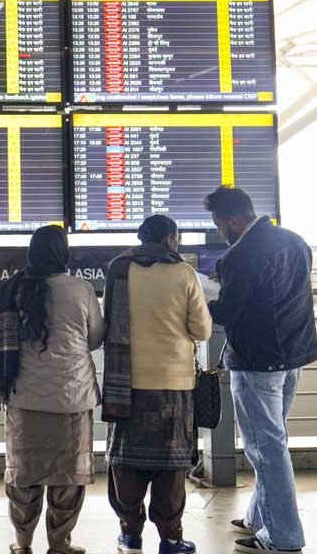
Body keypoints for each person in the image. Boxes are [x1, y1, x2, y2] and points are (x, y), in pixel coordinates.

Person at [205, 186, 317, 554]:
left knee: (265, 449)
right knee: (273, 441)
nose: (220, 230)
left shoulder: (241, 254)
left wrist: (201, 300)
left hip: (256, 363)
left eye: (220, 224)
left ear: (234, 220)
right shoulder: (295, 241)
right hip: (293, 357)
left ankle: (283, 537)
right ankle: (258, 517)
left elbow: (229, 312)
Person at [0, 225, 105, 554]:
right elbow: (95, 338)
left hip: (25, 400)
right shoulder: (81, 289)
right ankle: (60, 545)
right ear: (64, 253)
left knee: (23, 478)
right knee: (68, 480)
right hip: (72, 399)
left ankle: (23, 544)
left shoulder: (14, 290)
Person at [102, 215, 211, 554]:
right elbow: (203, 330)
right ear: (169, 239)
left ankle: (130, 534)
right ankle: (171, 539)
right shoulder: (183, 273)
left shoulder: (118, 269)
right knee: (171, 466)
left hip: (126, 384)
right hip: (173, 385)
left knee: (126, 464)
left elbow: (108, 322)